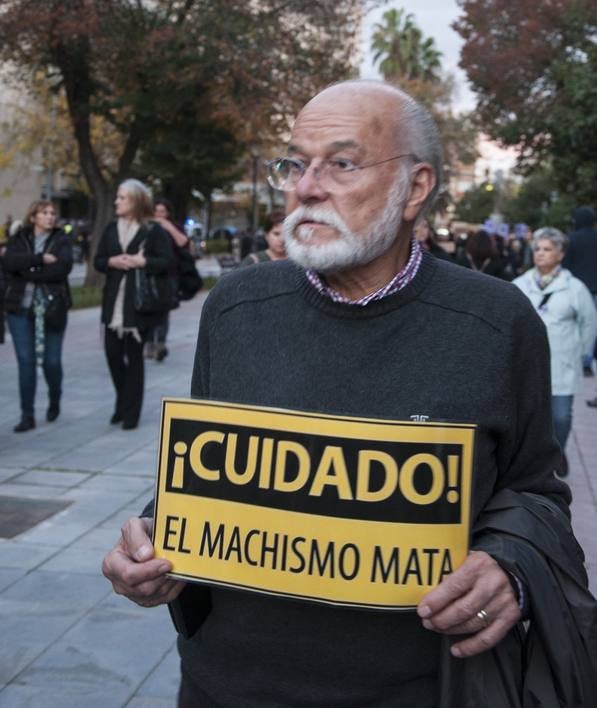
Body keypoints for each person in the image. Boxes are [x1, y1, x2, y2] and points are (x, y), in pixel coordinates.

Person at [102, 82, 597, 706]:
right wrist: (148, 541)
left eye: (341, 163)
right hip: (226, 685)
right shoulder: (237, 307)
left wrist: (508, 568)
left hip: (419, 688)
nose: (306, 187)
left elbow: (537, 494)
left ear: (415, 188)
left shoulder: (497, 322)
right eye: (294, 163)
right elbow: (210, 479)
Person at [513, 227, 597, 477]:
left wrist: (579, 352)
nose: (540, 254)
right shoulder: (519, 285)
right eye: (537, 249)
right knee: (527, 417)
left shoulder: (575, 288)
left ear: (560, 255)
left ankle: (557, 452)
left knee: (560, 417)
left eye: (547, 249)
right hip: (527, 366)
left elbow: (589, 324)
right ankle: (533, 462)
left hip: (563, 364)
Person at [94, 180, 172, 430]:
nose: (117, 201)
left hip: (138, 306)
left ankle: (131, 413)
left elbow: (167, 262)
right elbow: (98, 260)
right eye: (117, 197)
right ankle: (122, 401)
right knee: (113, 355)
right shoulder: (110, 229)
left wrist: (143, 261)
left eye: (122, 197)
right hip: (113, 304)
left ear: (137, 200)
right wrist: (112, 261)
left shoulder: (153, 230)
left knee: (134, 359)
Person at [3, 200, 73, 432]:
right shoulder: (20, 237)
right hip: (19, 310)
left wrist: (27, 271)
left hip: (52, 309)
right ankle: (27, 415)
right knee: (26, 362)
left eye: (53, 213)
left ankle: (55, 398)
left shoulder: (62, 239)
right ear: (33, 217)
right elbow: (8, 262)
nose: (50, 217)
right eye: (44, 213)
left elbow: (62, 269)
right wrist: (40, 260)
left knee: (52, 362)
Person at [145, 197, 189, 362]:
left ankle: (161, 344)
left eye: (162, 212)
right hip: (150, 274)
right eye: (156, 212)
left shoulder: (173, 226)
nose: (159, 215)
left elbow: (183, 242)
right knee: (149, 308)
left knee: (164, 309)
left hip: (170, 274)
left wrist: (168, 227)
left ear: (168, 213)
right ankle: (149, 342)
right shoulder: (147, 227)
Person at [562, 207, 597, 380]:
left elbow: (565, 267)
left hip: (577, 292)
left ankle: (581, 359)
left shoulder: (571, 240)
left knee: (577, 327)